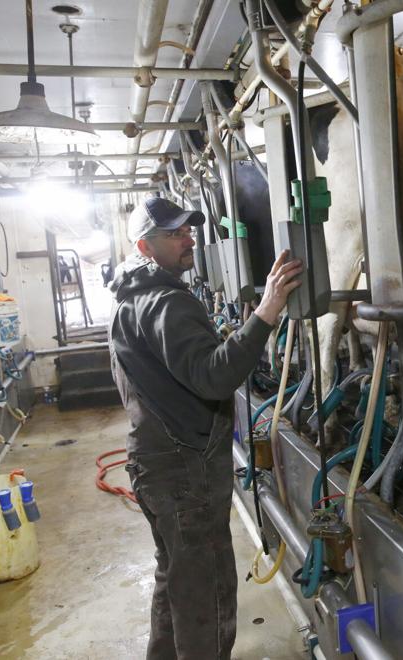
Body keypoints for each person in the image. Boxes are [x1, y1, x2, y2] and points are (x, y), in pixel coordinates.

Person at [108, 196, 302, 659]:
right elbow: (214, 376)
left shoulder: (131, 300)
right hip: (183, 472)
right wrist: (267, 311)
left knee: (175, 577)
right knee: (207, 589)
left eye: (187, 230)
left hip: (156, 461)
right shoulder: (165, 304)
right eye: (174, 234)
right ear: (144, 246)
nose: (188, 238)